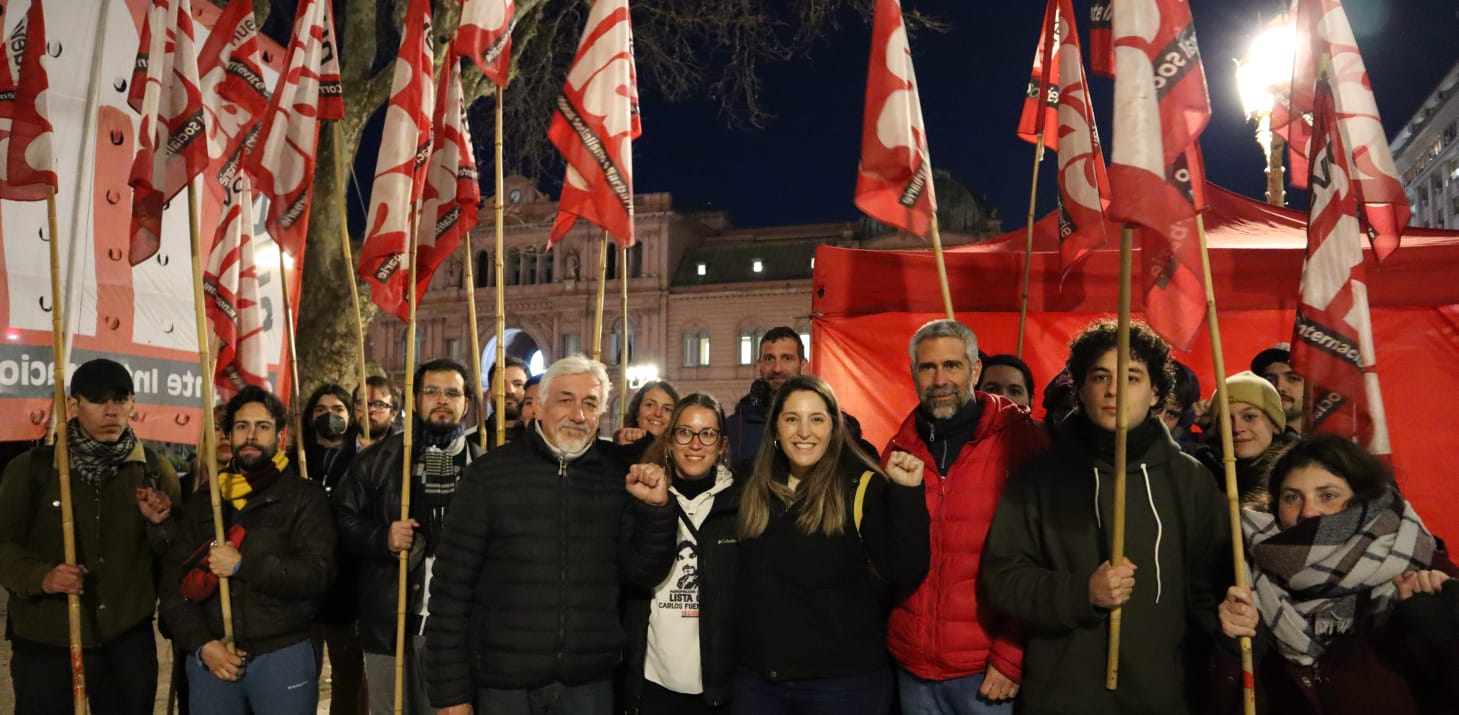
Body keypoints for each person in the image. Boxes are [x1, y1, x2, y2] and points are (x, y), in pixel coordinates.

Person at [980, 319, 1230, 714]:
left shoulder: (1191, 481)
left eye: (1131, 377)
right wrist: (1082, 593)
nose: (1114, 390)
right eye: (1100, 377)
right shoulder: (1039, 478)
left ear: (1155, 394)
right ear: (1080, 389)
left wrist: (1236, 625)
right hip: (1062, 698)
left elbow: (1211, 593)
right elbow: (1004, 579)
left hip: (1160, 698)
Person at [425, 355, 678, 715]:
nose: (578, 413)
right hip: (503, 686)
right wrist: (450, 694)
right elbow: (450, 591)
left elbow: (641, 574)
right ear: (539, 406)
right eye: (565, 399)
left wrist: (655, 513)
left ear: (601, 413)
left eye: (590, 403)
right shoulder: (489, 476)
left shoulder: (618, 477)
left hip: (588, 686)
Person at [1215, 434, 1459, 714]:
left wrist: (1443, 636)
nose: (1307, 512)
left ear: (1364, 502)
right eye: (1292, 497)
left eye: (1328, 495)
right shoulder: (1249, 578)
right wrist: (1234, 652)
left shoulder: (1426, 570)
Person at [733, 375, 930, 715]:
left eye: (817, 419)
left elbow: (906, 568)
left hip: (842, 685)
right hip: (761, 682)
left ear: (834, 428)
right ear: (776, 429)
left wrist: (907, 494)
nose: (804, 432)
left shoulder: (861, 486)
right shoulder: (752, 485)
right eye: (792, 419)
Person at [884, 321, 1049, 714]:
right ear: (913, 374)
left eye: (952, 366)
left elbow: (1045, 559)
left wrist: (1011, 655)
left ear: (975, 371)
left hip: (986, 674)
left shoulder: (1022, 441)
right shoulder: (898, 447)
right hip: (911, 669)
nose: (940, 379)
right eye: (927, 368)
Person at [0, 358, 181, 715]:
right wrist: (43, 577)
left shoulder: (156, 473)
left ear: (133, 404)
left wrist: (161, 524)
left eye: (120, 398)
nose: (111, 410)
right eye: (98, 400)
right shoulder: (33, 469)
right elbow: (2, 544)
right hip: (47, 644)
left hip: (126, 644)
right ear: (73, 405)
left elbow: (175, 558)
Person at [160, 385, 336, 715]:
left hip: (283, 655)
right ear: (228, 435)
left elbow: (317, 575)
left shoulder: (304, 498)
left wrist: (245, 566)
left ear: (279, 436)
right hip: (213, 660)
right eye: (242, 427)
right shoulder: (205, 502)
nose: (251, 436)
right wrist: (202, 645)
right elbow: (172, 587)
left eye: (263, 427)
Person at [333, 358, 485, 715]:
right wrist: (381, 537)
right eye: (431, 391)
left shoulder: (483, 465)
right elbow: (340, 518)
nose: (442, 400)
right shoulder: (379, 460)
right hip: (390, 623)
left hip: (459, 632)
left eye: (452, 393)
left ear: (467, 403)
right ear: (416, 399)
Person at [623, 393, 740, 714]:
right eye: (685, 432)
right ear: (671, 439)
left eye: (707, 434)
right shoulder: (642, 494)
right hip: (654, 679)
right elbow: (634, 575)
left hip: (718, 681)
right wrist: (655, 509)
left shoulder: (741, 502)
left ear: (722, 444)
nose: (695, 444)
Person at [297, 383, 368, 715]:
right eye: (320, 410)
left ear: (351, 415)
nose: (329, 416)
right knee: (299, 676)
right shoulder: (294, 459)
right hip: (301, 586)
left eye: (338, 409)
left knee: (348, 676)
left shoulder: (363, 460)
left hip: (347, 585)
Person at [1195, 371, 1298, 506]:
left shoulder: (1299, 474)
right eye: (1226, 419)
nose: (1237, 428)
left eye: (1249, 417)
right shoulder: (1201, 475)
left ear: (1275, 424)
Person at [726, 326, 806, 465]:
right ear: (759, 365)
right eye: (769, 359)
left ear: (803, 365)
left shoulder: (825, 424)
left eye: (787, 358)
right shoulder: (733, 427)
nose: (777, 368)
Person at [616, 379, 681, 459]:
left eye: (667, 409)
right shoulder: (620, 447)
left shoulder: (680, 456)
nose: (658, 413)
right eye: (650, 405)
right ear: (637, 412)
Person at [1251, 344, 1305, 433]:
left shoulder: (1332, 442)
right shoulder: (1239, 441)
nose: (1279, 387)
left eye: (1293, 378)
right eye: (1269, 380)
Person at [480, 355, 529, 447]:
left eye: (518, 384)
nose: (510, 390)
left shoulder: (539, 440)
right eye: (501, 384)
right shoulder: (472, 441)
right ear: (488, 393)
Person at [1161, 361, 1202, 456]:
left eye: (1171, 414)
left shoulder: (1194, 460)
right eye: (1155, 408)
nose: (1160, 419)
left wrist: (1212, 427)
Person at [355, 376, 402, 448]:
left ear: (393, 414)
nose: (369, 410)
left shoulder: (403, 453)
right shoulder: (337, 453)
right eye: (361, 403)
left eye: (379, 404)